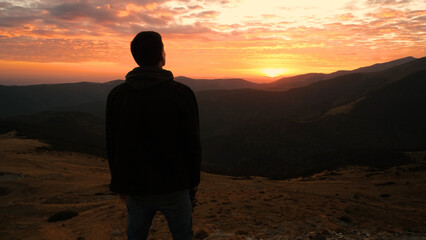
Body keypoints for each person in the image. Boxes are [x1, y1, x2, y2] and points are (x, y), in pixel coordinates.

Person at [106, 31, 201, 240]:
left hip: (136, 187)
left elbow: (113, 144)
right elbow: (192, 143)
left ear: (136, 57)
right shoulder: (182, 94)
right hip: (176, 186)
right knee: (183, 236)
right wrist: (193, 181)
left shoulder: (118, 96)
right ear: (162, 55)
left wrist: (119, 184)